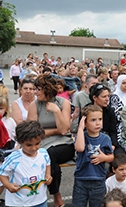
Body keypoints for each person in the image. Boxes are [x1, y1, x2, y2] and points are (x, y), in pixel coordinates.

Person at [27, 74, 74, 207]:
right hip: (41, 144)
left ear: (48, 89)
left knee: (50, 154)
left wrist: (57, 112)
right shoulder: (34, 105)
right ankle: (53, 194)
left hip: (64, 144)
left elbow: (64, 130)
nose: (35, 92)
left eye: (38, 89)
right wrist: (55, 131)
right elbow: (33, 133)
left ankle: (56, 195)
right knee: (48, 155)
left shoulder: (63, 103)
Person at [0, 121, 52, 207]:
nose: (34, 148)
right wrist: (8, 185)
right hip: (19, 203)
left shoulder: (44, 153)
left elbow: (47, 163)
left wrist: (48, 175)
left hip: (40, 200)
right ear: (20, 142)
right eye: (29, 145)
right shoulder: (13, 158)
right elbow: (2, 173)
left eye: (37, 143)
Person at [72, 105, 114, 207]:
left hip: (98, 179)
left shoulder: (105, 138)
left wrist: (104, 158)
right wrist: (81, 129)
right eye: (93, 120)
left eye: (100, 119)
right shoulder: (82, 136)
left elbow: (111, 157)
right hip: (81, 179)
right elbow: (80, 148)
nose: (98, 123)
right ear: (85, 122)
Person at [89, 83, 124, 155]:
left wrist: (113, 145)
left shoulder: (110, 111)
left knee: (121, 159)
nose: (107, 99)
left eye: (108, 96)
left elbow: (113, 131)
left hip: (108, 140)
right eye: (104, 97)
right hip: (92, 143)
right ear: (95, 98)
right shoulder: (87, 111)